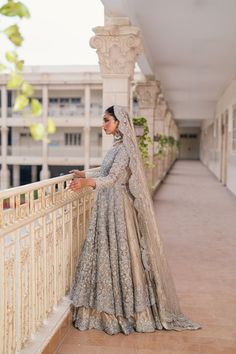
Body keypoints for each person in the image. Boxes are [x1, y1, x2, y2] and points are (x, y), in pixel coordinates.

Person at [68, 105, 201, 335]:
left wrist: (86, 184)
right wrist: (84, 175)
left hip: (118, 208)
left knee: (121, 254)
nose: (104, 125)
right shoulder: (117, 146)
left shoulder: (126, 149)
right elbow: (105, 172)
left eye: (107, 120)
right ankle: (102, 309)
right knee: (106, 254)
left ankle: (123, 312)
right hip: (106, 206)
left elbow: (112, 179)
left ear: (119, 122)